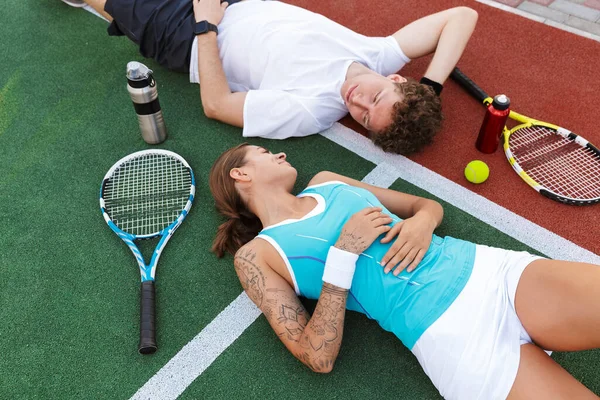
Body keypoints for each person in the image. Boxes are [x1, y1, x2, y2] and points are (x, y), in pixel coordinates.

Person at [208, 143, 600, 399]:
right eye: (263, 152)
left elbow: (423, 206)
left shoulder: (327, 183)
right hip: (454, 342)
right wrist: (343, 253)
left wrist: (422, 223)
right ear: (240, 174)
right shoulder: (256, 256)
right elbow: (317, 356)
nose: (277, 154)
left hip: (490, 274)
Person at [71, 0, 478, 154]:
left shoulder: (313, 110)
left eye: (365, 119)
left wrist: (206, 26)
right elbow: (462, 16)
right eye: (374, 99)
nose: (356, 103)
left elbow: (217, 105)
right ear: (398, 79)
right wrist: (433, 87)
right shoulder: (378, 53)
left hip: (189, 35)